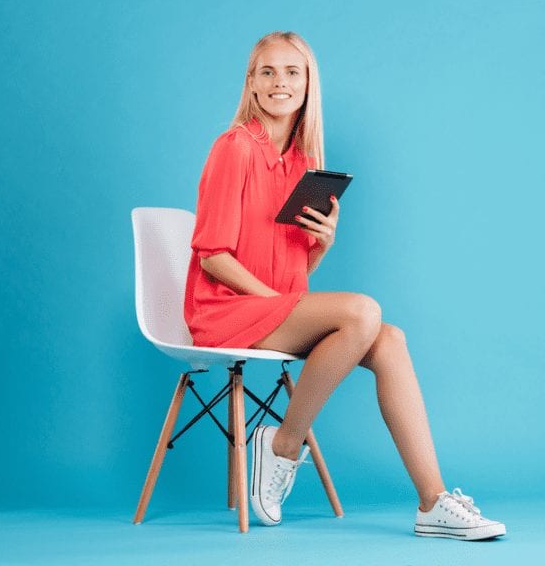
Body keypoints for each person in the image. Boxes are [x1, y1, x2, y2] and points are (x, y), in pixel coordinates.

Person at [184, 31, 505, 541]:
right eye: (267, 72)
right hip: (224, 311)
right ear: (250, 82)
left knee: (390, 340)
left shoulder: (302, 164)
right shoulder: (235, 148)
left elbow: (294, 276)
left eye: (292, 72)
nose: (279, 82)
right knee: (362, 311)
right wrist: (275, 301)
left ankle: (433, 502)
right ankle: (284, 445)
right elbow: (213, 255)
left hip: (273, 311)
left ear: (309, 83)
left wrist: (324, 243)